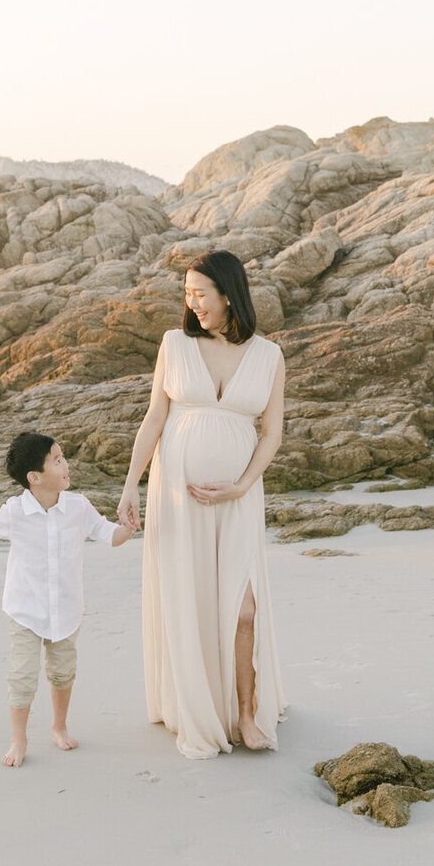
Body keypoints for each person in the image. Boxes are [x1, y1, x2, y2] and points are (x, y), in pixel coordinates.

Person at [116, 249, 286, 760]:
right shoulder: (174, 344)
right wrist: (131, 485)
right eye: (187, 295)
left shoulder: (269, 356)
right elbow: (153, 419)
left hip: (238, 498)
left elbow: (272, 434)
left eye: (200, 294)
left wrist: (243, 484)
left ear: (229, 295)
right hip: (178, 496)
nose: (191, 305)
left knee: (244, 608)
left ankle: (248, 715)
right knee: (190, 599)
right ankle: (201, 705)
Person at [0, 432, 134, 767]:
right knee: (23, 676)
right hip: (25, 609)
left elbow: (108, 534)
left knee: (63, 672)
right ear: (35, 477)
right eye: (57, 460)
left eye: (63, 456)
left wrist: (127, 528)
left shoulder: (78, 507)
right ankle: (19, 738)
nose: (66, 464)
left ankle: (59, 726)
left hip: (66, 608)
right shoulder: (15, 511)